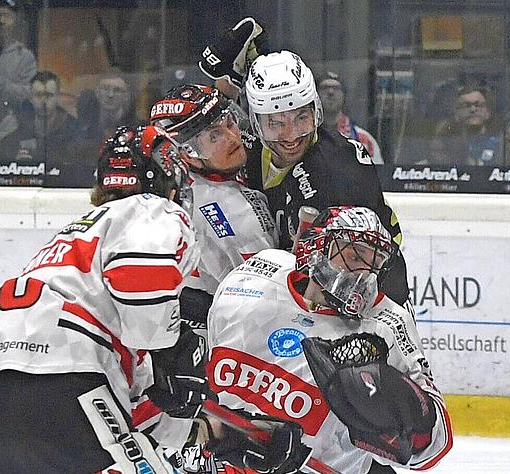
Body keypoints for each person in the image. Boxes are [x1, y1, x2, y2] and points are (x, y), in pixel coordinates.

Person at [0, 125, 210, 473]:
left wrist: (210, 433)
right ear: (169, 182)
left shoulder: (68, 246)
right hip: (64, 381)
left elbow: (132, 404)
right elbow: (144, 301)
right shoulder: (149, 209)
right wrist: (173, 350)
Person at [207, 206, 453, 473]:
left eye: (375, 263)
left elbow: (433, 447)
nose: (364, 273)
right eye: (355, 255)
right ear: (317, 247)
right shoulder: (252, 279)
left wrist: (396, 405)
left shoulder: (385, 326)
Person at [198, 22, 411, 308]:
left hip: (368, 301)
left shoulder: (338, 170)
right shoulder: (248, 143)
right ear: (256, 122)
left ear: (316, 110)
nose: (291, 136)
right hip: (287, 291)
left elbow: (361, 271)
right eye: (275, 123)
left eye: (301, 118)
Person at [149, 84, 278, 328]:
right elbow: (268, 301)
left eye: (229, 123)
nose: (232, 137)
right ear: (187, 154)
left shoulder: (191, 182)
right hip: (231, 335)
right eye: (213, 137)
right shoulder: (231, 216)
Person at [0, 71, 81, 169]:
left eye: (49, 95)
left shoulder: (76, 134)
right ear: (30, 98)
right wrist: (15, 166)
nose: (44, 101)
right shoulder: (13, 140)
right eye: (38, 95)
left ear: (58, 97)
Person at [317, 71, 384, 164]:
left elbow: (377, 175)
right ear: (315, 95)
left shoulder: (364, 140)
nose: (330, 92)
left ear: (344, 96)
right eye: (325, 88)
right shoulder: (304, 139)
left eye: (336, 88)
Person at [436, 84, 502, 166]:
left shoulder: (501, 145)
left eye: (478, 105)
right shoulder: (446, 146)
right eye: (466, 106)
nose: (473, 109)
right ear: (456, 114)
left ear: (488, 112)